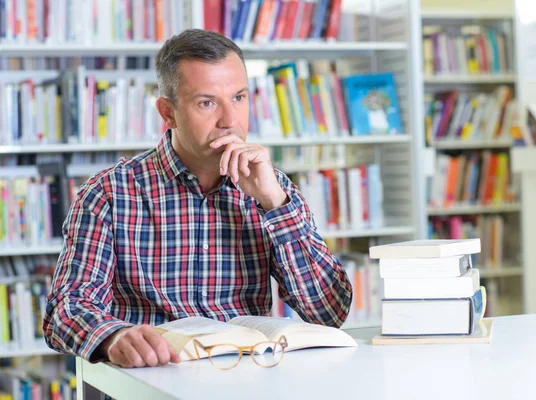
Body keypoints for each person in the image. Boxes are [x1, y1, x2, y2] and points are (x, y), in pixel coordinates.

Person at [42, 29, 352, 369]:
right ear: (168, 113)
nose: (230, 121)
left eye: (239, 97)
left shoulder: (272, 188)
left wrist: (274, 204)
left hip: (251, 381)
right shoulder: (109, 193)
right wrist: (113, 336)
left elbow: (328, 312)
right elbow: (66, 310)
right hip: (156, 381)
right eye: (207, 103)